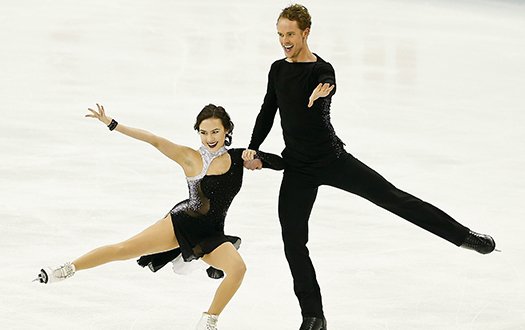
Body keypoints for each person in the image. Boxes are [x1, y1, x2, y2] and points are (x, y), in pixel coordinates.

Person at [242, 4, 497, 330]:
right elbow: (267, 110)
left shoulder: (322, 70)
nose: (284, 40)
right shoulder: (277, 70)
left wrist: (323, 91)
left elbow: (328, 80)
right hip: (298, 167)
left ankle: (464, 237)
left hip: (333, 159)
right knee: (293, 240)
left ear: (305, 32)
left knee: (393, 197)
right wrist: (253, 147)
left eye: (290, 34)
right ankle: (313, 316)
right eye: (280, 34)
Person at [34, 103, 283, 330]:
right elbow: (154, 140)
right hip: (181, 222)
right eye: (204, 132)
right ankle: (67, 269)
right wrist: (113, 124)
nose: (209, 138)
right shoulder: (189, 157)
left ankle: (208, 321)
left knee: (238, 269)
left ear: (226, 129)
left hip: (212, 233)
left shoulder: (239, 157)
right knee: (124, 249)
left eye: (215, 132)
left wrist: (256, 158)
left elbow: (281, 163)